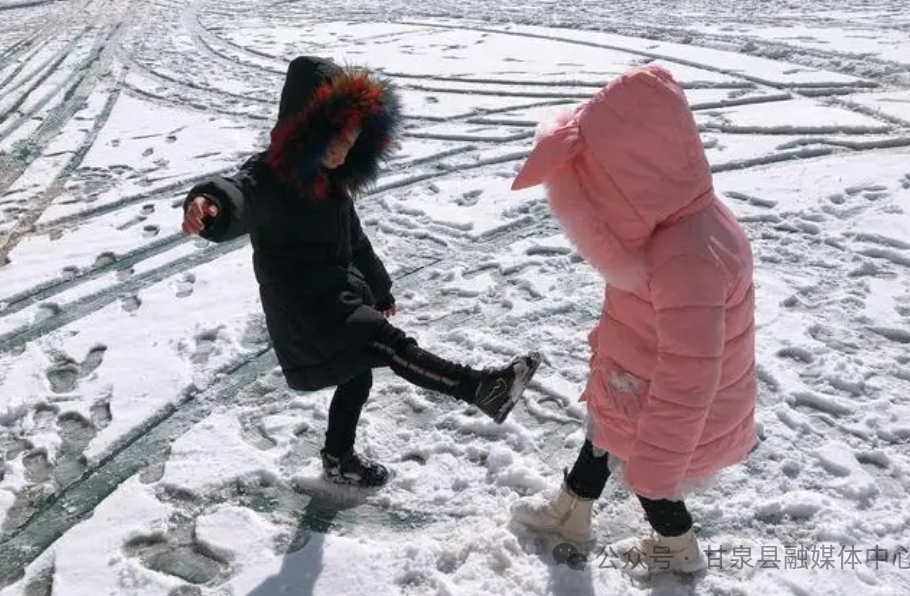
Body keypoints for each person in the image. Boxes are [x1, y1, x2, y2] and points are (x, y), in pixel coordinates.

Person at [180, 56, 541, 488]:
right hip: (304, 306)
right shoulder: (273, 176)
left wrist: (380, 288)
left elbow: (356, 242)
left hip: (337, 297)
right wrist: (211, 204)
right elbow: (239, 191)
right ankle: (482, 388)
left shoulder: (332, 185)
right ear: (305, 130)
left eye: (349, 143)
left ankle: (338, 459)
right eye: (333, 140)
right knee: (390, 346)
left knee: (357, 379)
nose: (340, 152)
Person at [507, 64, 758, 575]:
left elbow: (691, 374)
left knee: (649, 481)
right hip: (632, 383)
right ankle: (570, 512)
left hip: (664, 407)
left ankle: (680, 550)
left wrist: (659, 466)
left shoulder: (685, 255)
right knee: (600, 438)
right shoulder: (679, 221)